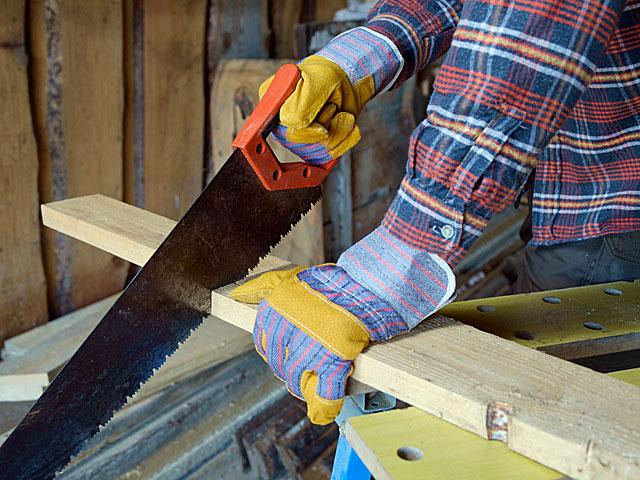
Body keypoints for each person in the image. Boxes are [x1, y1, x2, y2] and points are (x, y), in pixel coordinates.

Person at [231, 0, 640, 424]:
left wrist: (391, 270)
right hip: (577, 187)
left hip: (610, 207)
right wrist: (360, 58)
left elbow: (528, 39)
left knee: (559, 418)